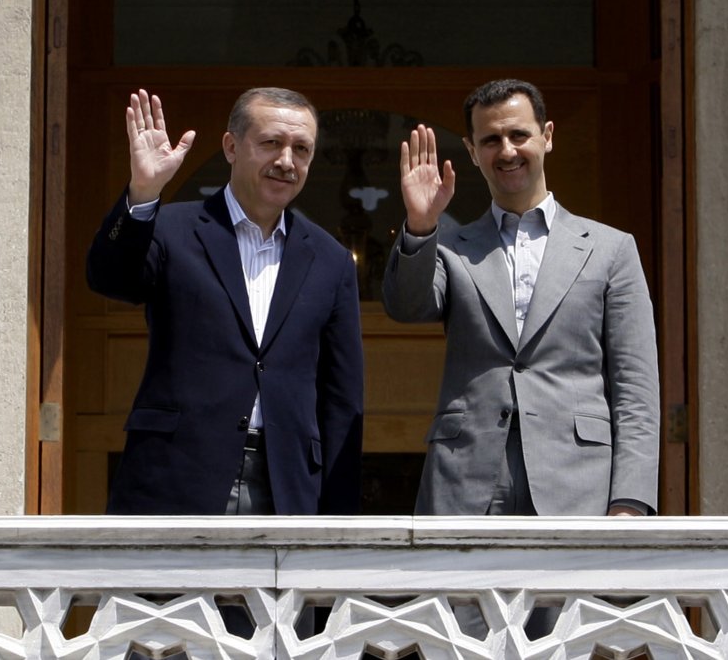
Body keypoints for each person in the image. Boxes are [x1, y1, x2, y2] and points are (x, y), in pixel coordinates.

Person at [384, 79, 660, 515]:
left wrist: (630, 499)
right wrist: (420, 225)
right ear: (473, 152)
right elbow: (407, 306)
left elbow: (635, 388)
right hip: (467, 480)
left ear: (547, 136)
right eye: (491, 140)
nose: (507, 151)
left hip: (577, 483)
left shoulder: (611, 249)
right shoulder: (452, 246)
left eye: (519, 135)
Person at [87, 87, 363, 515]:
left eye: (301, 149)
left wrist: (340, 518)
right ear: (231, 147)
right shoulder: (171, 227)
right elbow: (110, 279)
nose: (286, 161)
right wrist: (142, 193)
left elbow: (341, 397)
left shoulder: (330, 260)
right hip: (175, 475)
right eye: (271, 142)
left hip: (286, 486)